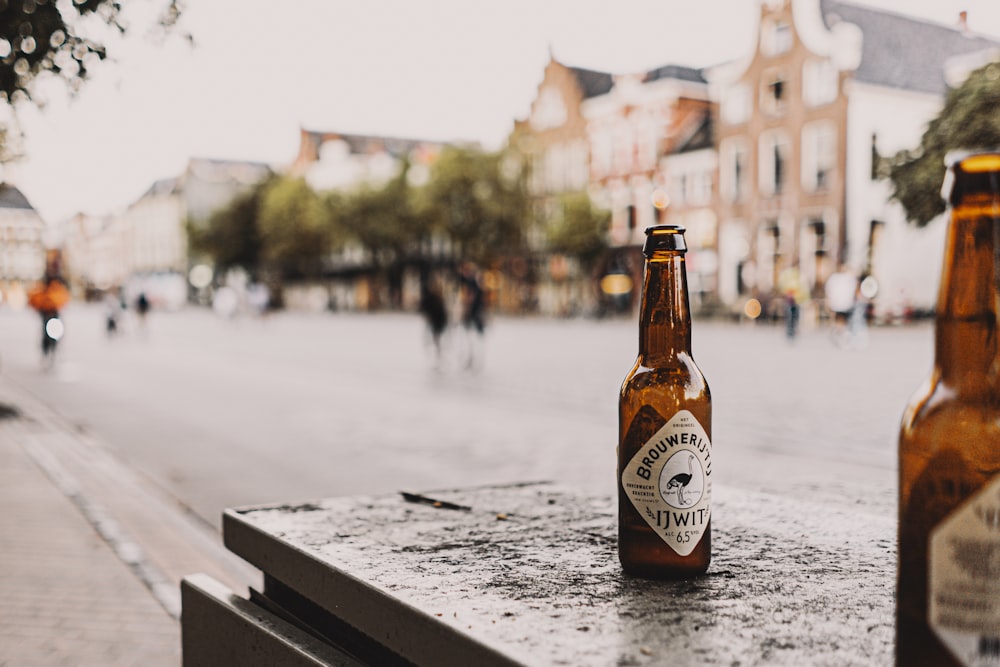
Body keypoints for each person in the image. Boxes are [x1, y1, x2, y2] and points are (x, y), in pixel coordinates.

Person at [457, 262, 486, 368]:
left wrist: (466, 308)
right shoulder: (473, 283)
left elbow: (471, 298)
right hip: (474, 312)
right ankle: (472, 356)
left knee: (471, 335)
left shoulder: (471, 283)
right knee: (471, 335)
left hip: (472, 313)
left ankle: (471, 356)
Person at [418, 276, 449, 366]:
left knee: (437, 337)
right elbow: (425, 307)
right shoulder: (431, 297)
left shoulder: (439, 297)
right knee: (435, 337)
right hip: (435, 320)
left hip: (439, 319)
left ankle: (439, 353)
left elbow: (442, 310)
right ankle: (438, 353)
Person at [824, 265, 857, 347]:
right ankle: (841, 333)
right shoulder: (847, 278)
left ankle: (839, 332)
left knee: (840, 320)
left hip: (839, 303)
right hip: (844, 303)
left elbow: (828, 290)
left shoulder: (834, 278)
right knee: (842, 320)